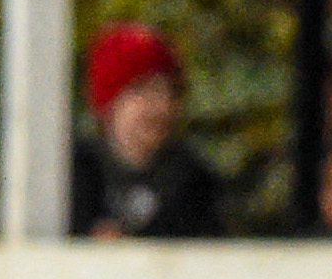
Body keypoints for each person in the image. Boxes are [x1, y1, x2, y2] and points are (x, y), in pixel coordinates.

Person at [71, 22, 223, 239]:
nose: (162, 106)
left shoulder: (195, 181)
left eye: (171, 91)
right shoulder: (72, 174)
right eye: (143, 90)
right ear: (111, 102)